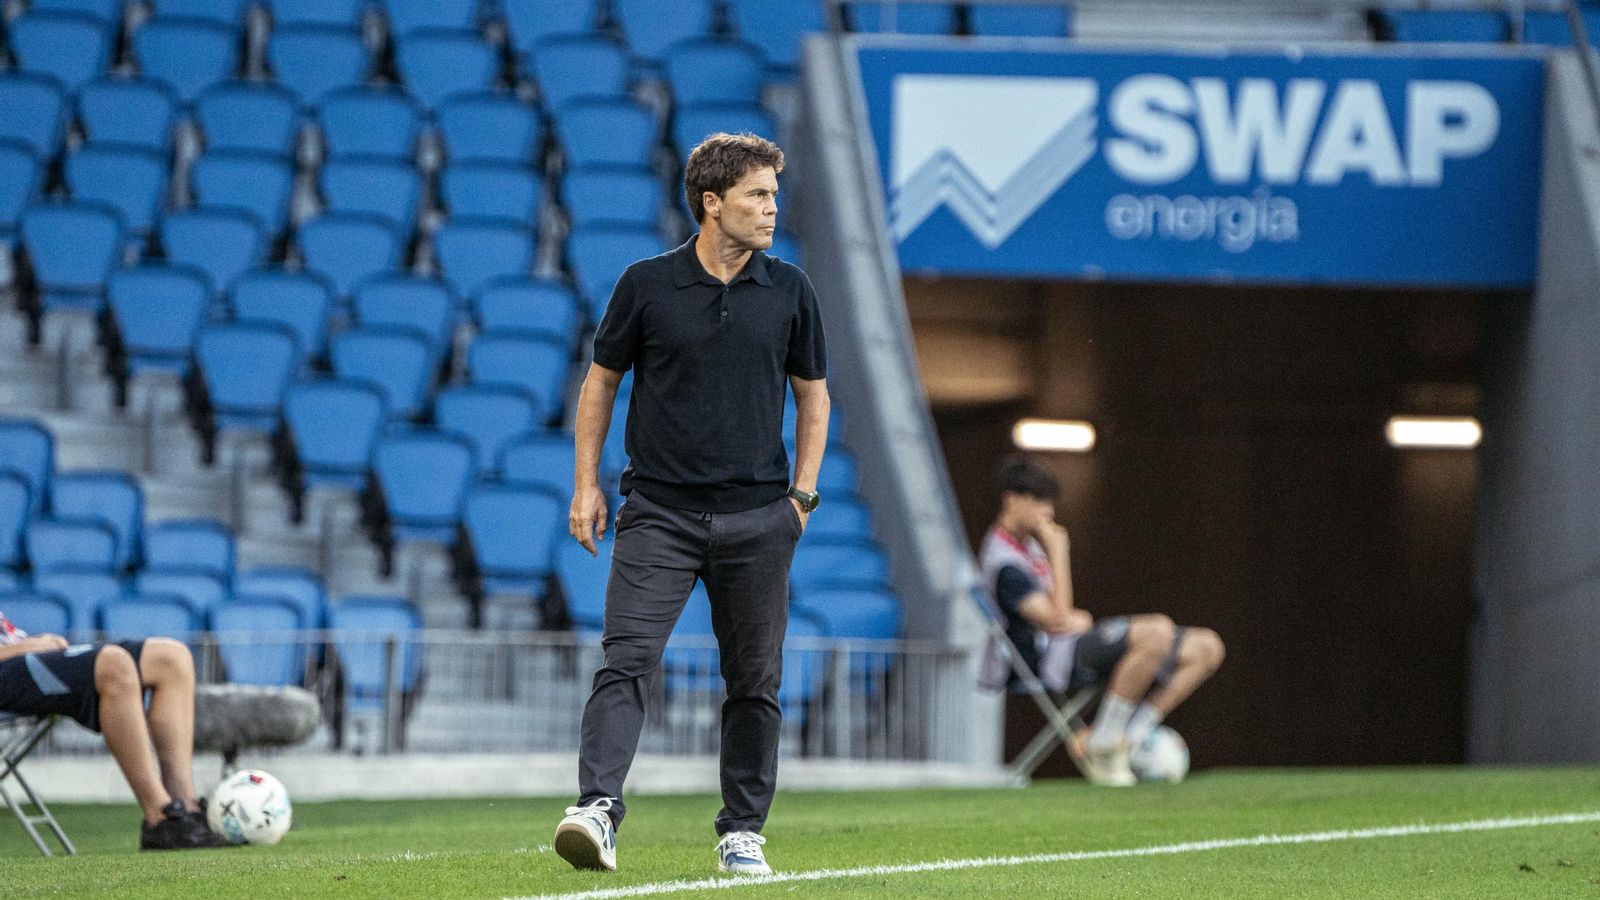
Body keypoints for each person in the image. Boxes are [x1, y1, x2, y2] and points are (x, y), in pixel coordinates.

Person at [555, 132, 829, 876]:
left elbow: (814, 397)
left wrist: (800, 497)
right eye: (758, 195)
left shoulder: (791, 291)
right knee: (628, 659)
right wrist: (586, 484)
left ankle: (742, 831)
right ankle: (598, 809)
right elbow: (600, 383)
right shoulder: (646, 284)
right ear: (713, 203)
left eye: (773, 194)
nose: (773, 208)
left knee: (754, 682)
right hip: (660, 515)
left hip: (759, 519)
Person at [980, 457, 1225, 786]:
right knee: (1156, 631)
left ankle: (1131, 734)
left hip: (1071, 643)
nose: (1048, 512)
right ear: (1012, 499)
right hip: (1050, 659)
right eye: (1039, 500)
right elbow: (1056, 617)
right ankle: (1105, 743)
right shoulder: (1003, 560)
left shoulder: (1029, 548)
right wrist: (1059, 552)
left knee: (1207, 647)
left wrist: (1068, 617)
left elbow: (1069, 616)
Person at [0, 611, 224, 849]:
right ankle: (161, 819)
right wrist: (30, 646)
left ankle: (186, 811)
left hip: (20, 660)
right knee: (113, 664)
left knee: (172, 658)